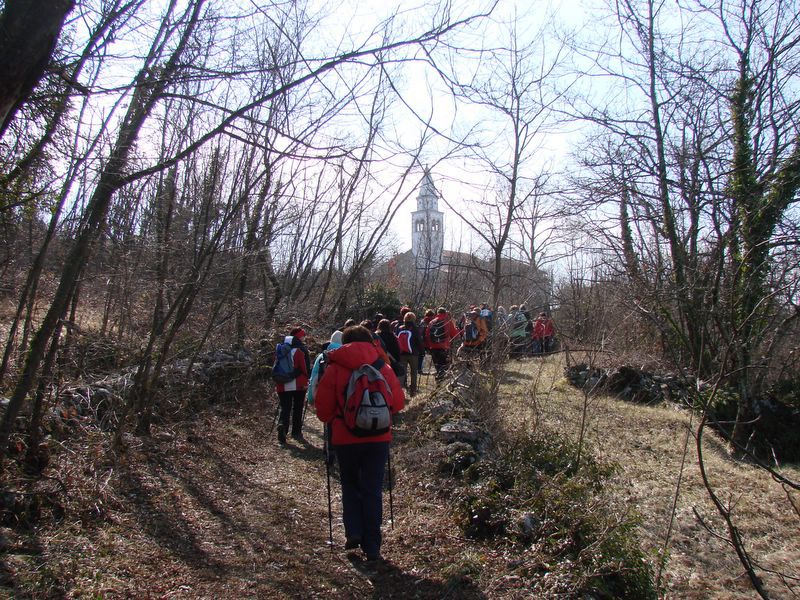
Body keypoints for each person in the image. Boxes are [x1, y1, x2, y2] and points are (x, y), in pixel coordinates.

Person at [314, 325, 405, 563]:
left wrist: (338, 417)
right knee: (373, 490)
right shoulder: (382, 367)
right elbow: (398, 404)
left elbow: (322, 412)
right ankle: (373, 545)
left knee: (350, 484)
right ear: (370, 341)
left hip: (346, 439)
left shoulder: (334, 368)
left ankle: (354, 531)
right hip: (378, 439)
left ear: (344, 343)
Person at [275, 334, 309, 445]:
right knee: (298, 407)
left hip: (282, 384)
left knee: (285, 407)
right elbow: (304, 368)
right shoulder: (299, 351)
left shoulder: (279, 351)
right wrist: (307, 379)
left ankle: (282, 426)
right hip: (298, 385)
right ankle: (296, 432)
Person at [425, 307, 459, 380]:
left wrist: (428, 346)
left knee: (438, 366)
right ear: (445, 313)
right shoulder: (447, 321)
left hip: (433, 347)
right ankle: (440, 382)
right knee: (444, 367)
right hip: (444, 347)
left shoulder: (432, 322)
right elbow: (455, 335)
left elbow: (427, 335)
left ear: (437, 313)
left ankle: (439, 382)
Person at [396, 311, 423, 398]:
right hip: (413, 354)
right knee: (413, 373)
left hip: (402, 354)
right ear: (414, 319)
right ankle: (413, 392)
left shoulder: (400, 328)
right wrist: (422, 351)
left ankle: (400, 392)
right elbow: (419, 342)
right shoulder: (415, 329)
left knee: (402, 373)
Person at [419, 309, 435, 374]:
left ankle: (419, 369)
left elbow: (420, 331)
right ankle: (436, 369)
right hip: (430, 341)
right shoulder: (433, 322)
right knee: (434, 355)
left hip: (422, 341)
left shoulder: (422, 321)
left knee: (421, 356)